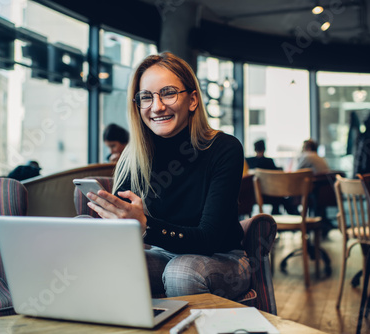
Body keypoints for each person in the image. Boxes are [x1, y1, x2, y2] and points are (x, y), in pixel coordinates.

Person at [85, 52, 250, 299]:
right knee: (96, 255)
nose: (157, 106)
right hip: (164, 254)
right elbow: (126, 229)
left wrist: (145, 225)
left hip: (223, 258)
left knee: (181, 272)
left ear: (192, 100)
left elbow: (209, 239)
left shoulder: (224, 148)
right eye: (146, 97)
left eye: (168, 93)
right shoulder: (135, 154)